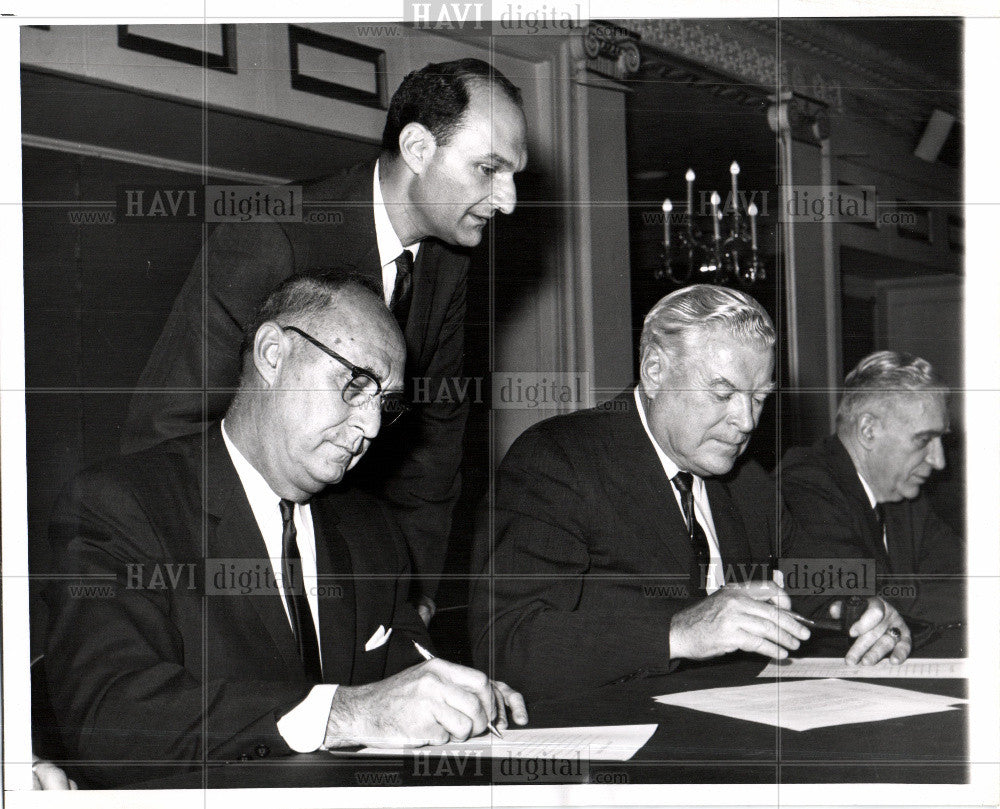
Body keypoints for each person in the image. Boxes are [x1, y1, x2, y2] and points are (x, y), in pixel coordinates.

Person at [45, 276, 526, 788]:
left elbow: (404, 670)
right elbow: (107, 717)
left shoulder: (372, 533)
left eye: (385, 403)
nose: (371, 426)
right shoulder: (122, 506)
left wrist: (460, 697)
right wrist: (344, 712)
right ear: (273, 354)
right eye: (355, 384)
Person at [121, 58, 529, 625]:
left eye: (514, 175)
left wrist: (408, 591)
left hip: (352, 568)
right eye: (488, 169)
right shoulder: (272, 236)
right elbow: (170, 427)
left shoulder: (448, 264)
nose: (508, 200)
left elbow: (433, 448)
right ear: (416, 148)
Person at [468, 285, 910, 702]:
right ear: (655, 371)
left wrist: (858, 608)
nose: (747, 421)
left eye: (759, 398)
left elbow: (806, 578)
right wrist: (677, 633)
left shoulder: (746, 481)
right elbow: (506, 642)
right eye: (723, 393)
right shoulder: (559, 459)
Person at [780, 351, 964, 627]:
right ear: (868, 430)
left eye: (940, 440)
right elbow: (863, 599)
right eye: (924, 439)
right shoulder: (803, 485)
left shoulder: (903, 494)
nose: (939, 461)